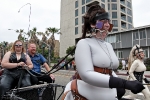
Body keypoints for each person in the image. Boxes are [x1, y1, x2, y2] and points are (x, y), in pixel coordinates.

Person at [62, 4, 145, 100]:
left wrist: (120, 84)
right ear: (93, 24)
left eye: (108, 22)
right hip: (85, 95)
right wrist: (123, 83)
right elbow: (87, 74)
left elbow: (109, 71)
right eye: (103, 21)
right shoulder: (84, 43)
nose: (107, 24)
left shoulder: (108, 45)